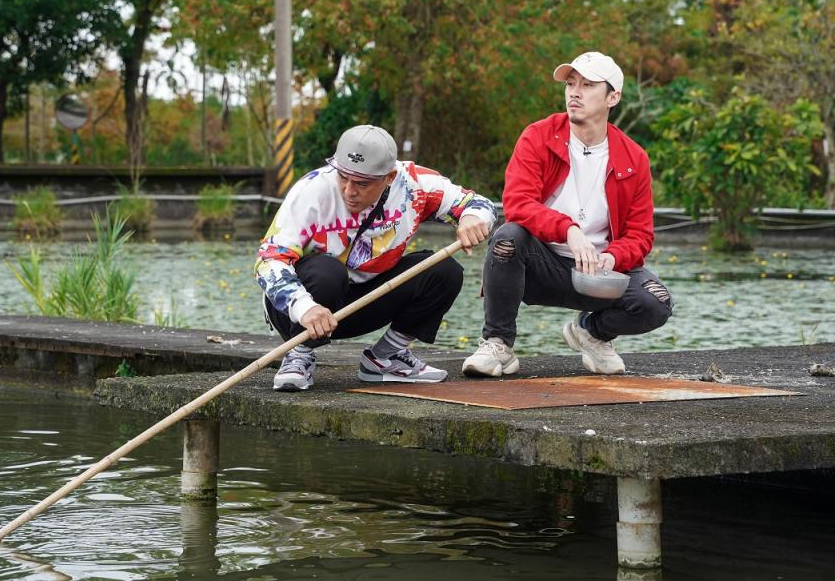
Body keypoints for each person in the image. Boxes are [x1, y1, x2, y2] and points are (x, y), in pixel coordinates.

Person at [462, 51, 673, 378]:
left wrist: (613, 258)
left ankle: (592, 332)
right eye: (571, 83)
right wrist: (569, 231)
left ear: (612, 97)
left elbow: (641, 236)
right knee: (507, 238)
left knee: (656, 302)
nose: (575, 92)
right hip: (540, 264)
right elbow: (517, 202)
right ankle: (498, 344)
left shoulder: (634, 158)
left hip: (599, 274)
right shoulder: (538, 136)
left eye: (588, 85)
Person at [256, 124, 497, 392]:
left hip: (364, 300)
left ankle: (385, 357)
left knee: (445, 271)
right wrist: (304, 308)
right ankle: (298, 355)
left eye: (362, 183)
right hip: (302, 310)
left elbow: (478, 203)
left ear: (390, 177)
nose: (349, 191)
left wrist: (473, 218)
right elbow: (269, 261)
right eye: (343, 178)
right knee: (328, 272)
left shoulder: (415, 185)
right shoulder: (311, 191)